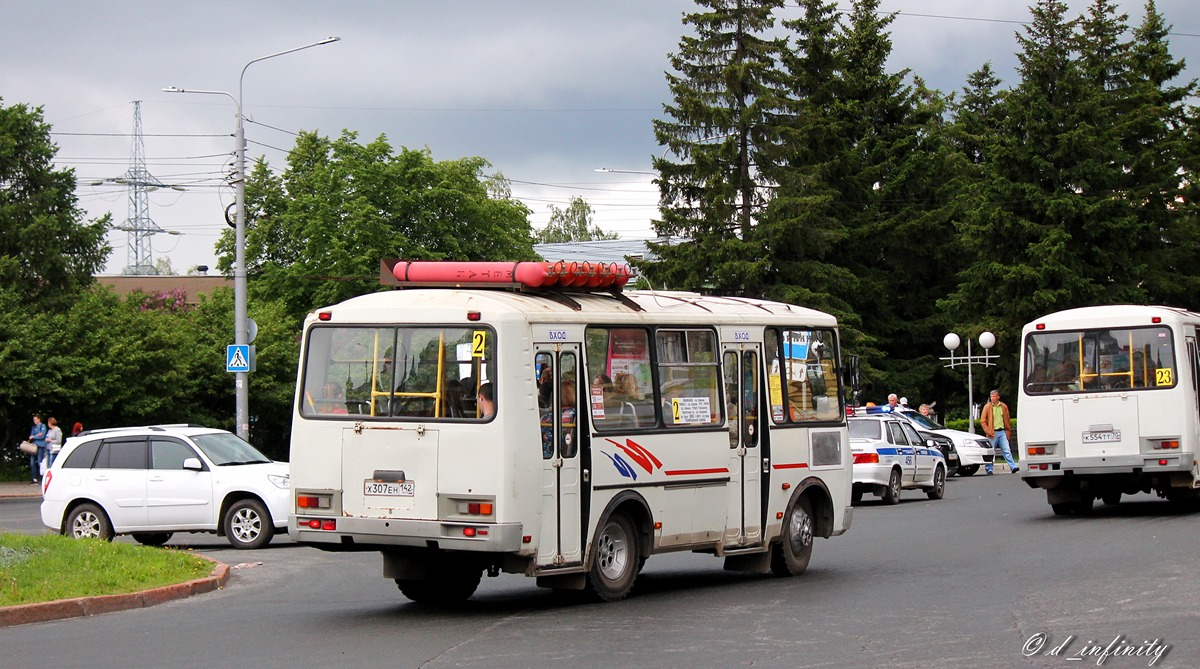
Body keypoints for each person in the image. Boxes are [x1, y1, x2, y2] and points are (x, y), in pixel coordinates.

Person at [980, 389, 1018, 474]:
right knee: (990, 452)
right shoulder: (987, 407)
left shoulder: (1003, 406)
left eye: (994, 396)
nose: (992, 398)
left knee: (1007, 450)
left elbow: (1007, 419)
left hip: (1002, 432)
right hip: (992, 433)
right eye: (991, 397)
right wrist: (988, 431)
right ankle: (989, 469)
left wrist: (1008, 430)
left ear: (998, 397)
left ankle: (1013, 467)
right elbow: (983, 420)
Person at [28, 415, 48, 484]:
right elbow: (31, 436)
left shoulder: (43, 426)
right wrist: (36, 435)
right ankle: (34, 478)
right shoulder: (33, 427)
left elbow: (42, 436)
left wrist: (34, 436)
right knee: (32, 462)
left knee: (40, 462)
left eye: (36, 419)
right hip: (34, 446)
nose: (34, 421)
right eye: (34, 420)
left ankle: (42, 477)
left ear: (39, 419)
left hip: (41, 446)